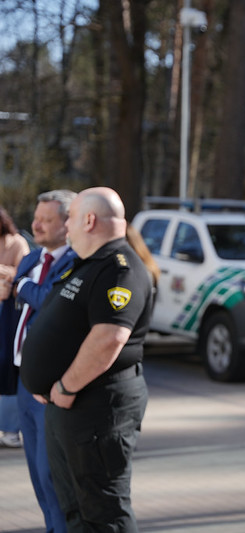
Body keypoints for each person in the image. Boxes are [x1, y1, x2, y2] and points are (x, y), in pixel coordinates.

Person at [19, 187, 154, 532]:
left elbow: (109, 337)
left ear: (90, 220)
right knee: (74, 508)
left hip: (96, 407)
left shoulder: (119, 268)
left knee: (102, 509)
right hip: (68, 406)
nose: (68, 229)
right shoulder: (87, 265)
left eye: (71, 220)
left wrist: (64, 385)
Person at [0, 190, 76, 533]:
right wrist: (11, 288)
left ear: (69, 223)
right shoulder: (32, 259)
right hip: (23, 378)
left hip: (51, 385)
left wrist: (20, 285)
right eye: (36, 217)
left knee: (53, 477)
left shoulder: (76, 260)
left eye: (46, 220)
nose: (36, 225)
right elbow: (17, 293)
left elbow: (52, 301)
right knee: (36, 477)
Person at [0, 205, 29, 448]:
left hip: (8, 309)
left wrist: (3, 271)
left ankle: (10, 429)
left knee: (7, 365)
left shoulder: (17, 243)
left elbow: (24, 273)